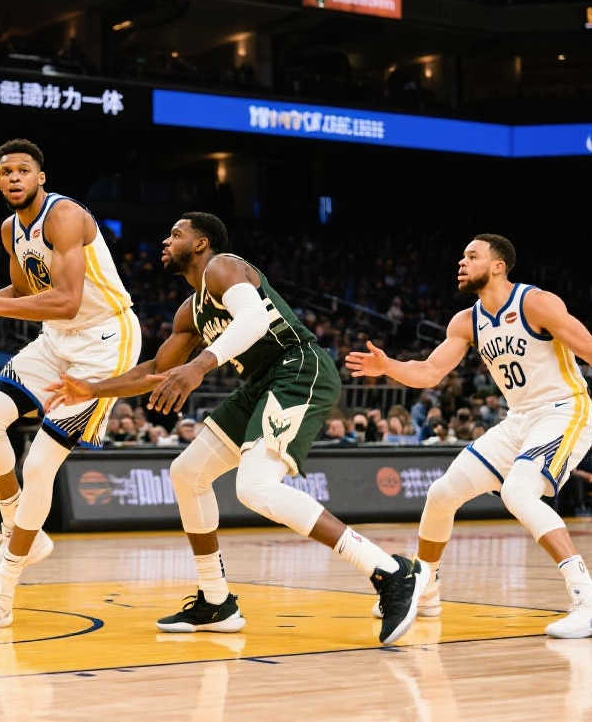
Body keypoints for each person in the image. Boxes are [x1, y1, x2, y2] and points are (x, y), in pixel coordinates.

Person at [49, 213, 425, 645]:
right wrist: (92, 389)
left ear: (201, 242)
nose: (166, 240)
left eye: (176, 234)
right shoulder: (190, 311)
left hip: (298, 368)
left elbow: (254, 321)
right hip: (260, 383)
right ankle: (216, 601)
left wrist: (199, 366)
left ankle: (390, 572)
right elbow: (156, 369)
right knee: (186, 473)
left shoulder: (223, 266)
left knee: (256, 488)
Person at [346, 234, 592, 639]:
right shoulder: (466, 321)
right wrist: (389, 367)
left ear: (498, 266)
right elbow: (430, 372)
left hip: (564, 409)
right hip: (519, 420)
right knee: (442, 493)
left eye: (472, 256)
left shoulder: (536, 303)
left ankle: (591, 600)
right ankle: (426, 589)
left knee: (519, 492)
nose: (461, 262)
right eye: (462, 256)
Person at [0, 139, 141, 631]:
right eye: (6, 172)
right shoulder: (11, 230)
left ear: (40, 177)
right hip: (57, 339)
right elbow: (27, 290)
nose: (14, 178)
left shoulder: (64, 216)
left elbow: (67, 300)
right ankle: (19, 530)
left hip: (104, 342)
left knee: (40, 464)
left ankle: (2, 595)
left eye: (23, 170)